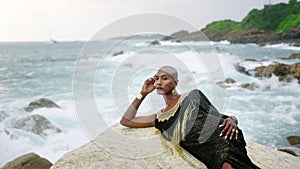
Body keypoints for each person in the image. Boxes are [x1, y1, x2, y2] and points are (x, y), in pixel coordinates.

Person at [120, 66, 259, 169]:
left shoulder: (194, 95)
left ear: (175, 83)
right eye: (156, 78)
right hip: (209, 153)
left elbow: (217, 117)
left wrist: (232, 120)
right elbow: (126, 121)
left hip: (224, 138)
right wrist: (142, 93)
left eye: (165, 78)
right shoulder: (160, 118)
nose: (159, 82)